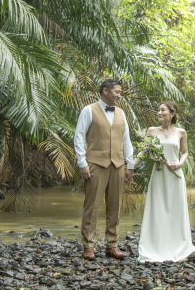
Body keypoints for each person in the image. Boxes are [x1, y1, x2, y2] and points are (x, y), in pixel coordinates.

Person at [74, 79, 135, 260]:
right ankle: (88, 246)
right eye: (117, 91)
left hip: (118, 165)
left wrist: (130, 165)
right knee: (92, 206)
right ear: (105, 91)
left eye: (120, 92)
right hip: (95, 164)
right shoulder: (88, 110)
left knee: (115, 206)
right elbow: (79, 137)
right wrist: (82, 163)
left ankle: (112, 245)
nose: (119, 95)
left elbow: (126, 140)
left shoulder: (121, 113)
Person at [135, 101, 195, 263]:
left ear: (172, 114)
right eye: (158, 110)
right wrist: (131, 166)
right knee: (157, 208)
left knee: (175, 210)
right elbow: (144, 151)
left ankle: (178, 245)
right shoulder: (151, 131)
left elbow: (185, 152)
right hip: (158, 174)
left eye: (163, 110)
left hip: (175, 175)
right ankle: (155, 245)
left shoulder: (181, 132)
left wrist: (180, 163)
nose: (159, 112)